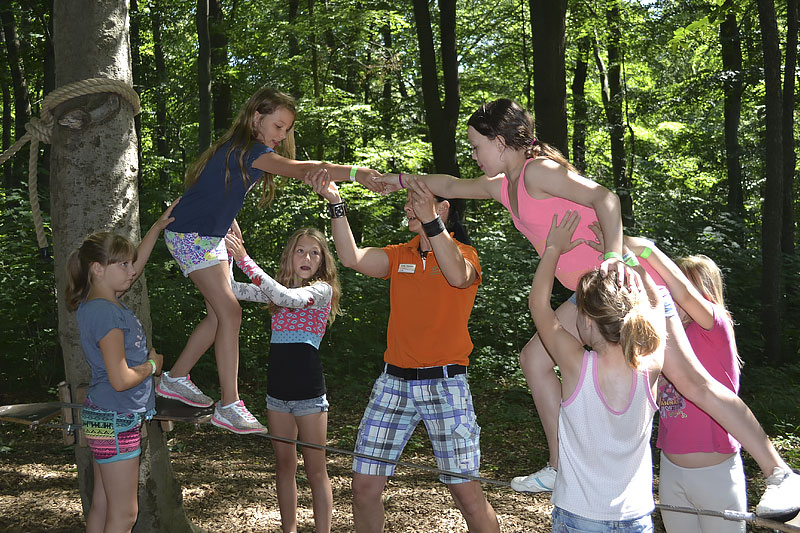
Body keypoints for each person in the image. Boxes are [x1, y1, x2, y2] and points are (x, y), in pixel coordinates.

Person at [377, 98, 799, 518]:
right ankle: (561, 465)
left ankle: (779, 472)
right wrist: (392, 180)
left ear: (501, 142)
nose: (473, 154)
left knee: (692, 383)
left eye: (475, 146)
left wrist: (615, 258)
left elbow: (607, 199)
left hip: (627, 284)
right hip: (588, 295)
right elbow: (447, 185)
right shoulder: (501, 186)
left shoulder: (539, 171)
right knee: (534, 358)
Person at [156, 86, 381, 434]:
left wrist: (229, 221)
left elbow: (214, 192)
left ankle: (175, 378)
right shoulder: (249, 150)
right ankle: (228, 404)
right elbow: (301, 168)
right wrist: (356, 173)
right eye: (279, 126)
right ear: (257, 118)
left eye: (288, 129)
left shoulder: (241, 153)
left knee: (220, 315)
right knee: (230, 312)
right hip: (190, 236)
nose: (283, 135)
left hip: (210, 237)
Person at [314, 174, 499, 533]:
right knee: (364, 487)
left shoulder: (466, 255)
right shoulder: (401, 255)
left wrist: (429, 219)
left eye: (414, 200)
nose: (406, 207)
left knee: (466, 493)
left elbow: (458, 277)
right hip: (393, 383)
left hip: (446, 385)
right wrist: (336, 203)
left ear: (442, 207)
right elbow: (351, 257)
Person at [531, 210, 666, 532]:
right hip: (636, 518)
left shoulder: (577, 364)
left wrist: (553, 247)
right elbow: (658, 305)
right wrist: (627, 260)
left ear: (588, 322)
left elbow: (539, 305)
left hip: (580, 515)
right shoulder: (651, 366)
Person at [65, 200, 177, 533]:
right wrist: (152, 366)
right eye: (124, 265)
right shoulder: (106, 313)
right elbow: (121, 378)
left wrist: (157, 228)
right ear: (97, 269)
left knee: (102, 502)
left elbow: (132, 267)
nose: (132, 271)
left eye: (132, 264)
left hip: (108, 416)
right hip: (117, 416)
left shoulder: (98, 302)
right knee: (125, 514)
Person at [623, 238, 748, 533]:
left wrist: (647, 250)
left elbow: (683, 292)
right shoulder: (662, 336)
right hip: (671, 470)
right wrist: (627, 262)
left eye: (680, 287)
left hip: (717, 473)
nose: (674, 295)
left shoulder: (716, 328)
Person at [225, 228, 340, 533]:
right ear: (290, 255)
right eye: (300, 250)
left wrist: (244, 258)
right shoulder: (274, 291)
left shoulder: (320, 291)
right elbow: (234, 289)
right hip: (277, 393)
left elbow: (287, 297)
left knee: (316, 470)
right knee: (284, 466)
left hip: (309, 394)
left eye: (314, 253)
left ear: (322, 261)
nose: (307, 257)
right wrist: (223, 254)